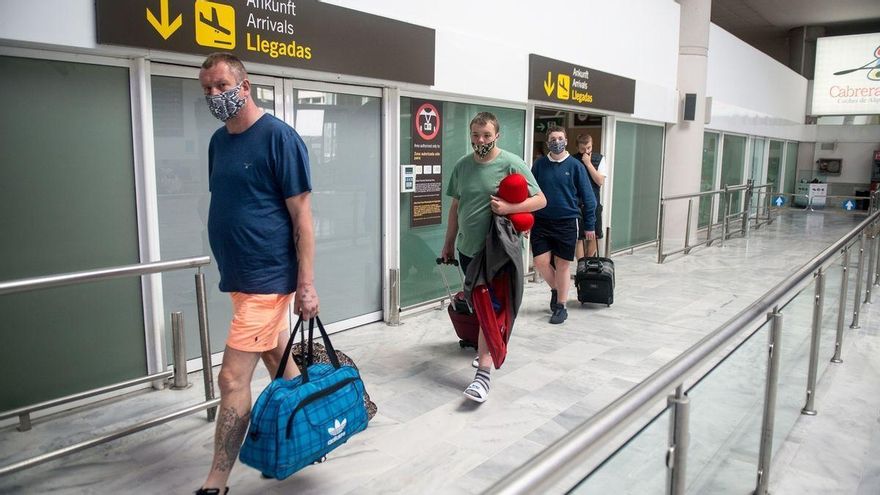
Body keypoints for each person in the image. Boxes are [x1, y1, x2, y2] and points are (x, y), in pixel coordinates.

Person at [196, 52, 319, 495]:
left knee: (232, 378)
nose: (214, 95)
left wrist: (306, 284)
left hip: (268, 277)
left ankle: (217, 481)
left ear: (244, 86)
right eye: (207, 88)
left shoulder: (278, 138)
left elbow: (302, 218)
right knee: (274, 356)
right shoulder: (218, 142)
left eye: (222, 86)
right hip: (238, 274)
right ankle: (307, 431)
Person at [441, 112, 546, 403]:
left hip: (497, 252)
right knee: (480, 308)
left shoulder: (511, 163)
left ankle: (483, 375)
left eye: (486, 135)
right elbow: (455, 207)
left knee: (489, 308)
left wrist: (509, 209)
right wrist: (449, 242)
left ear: (497, 135)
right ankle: (489, 346)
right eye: (475, 135)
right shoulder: (462, 166)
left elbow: (540, 200)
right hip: (467, 250)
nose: (480, 141)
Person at [530, 127, 596, 324]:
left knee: (562, 264)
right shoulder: (539, 165)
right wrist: (527, 220)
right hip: (541, 221)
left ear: (566, 141)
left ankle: (561, 306)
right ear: (547, 142)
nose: (556, 141)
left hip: (567, 222)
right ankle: (558, 289)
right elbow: (531, 193)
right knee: (541, 262)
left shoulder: (576, 166)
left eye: (560, 138)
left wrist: (590, 225)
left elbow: (588, 198)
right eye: (552, 139)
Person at [573, 133, 608, 259]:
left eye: (588, 148)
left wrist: (588, 164)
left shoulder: (600, 159)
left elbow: (600, 181)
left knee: (595, 235)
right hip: (577, 204)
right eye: (583, 149)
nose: (586, 151)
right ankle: (581, 266)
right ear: (578, 148)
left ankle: (589, 261)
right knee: (579, 238)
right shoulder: (572, 160)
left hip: (594, 203)